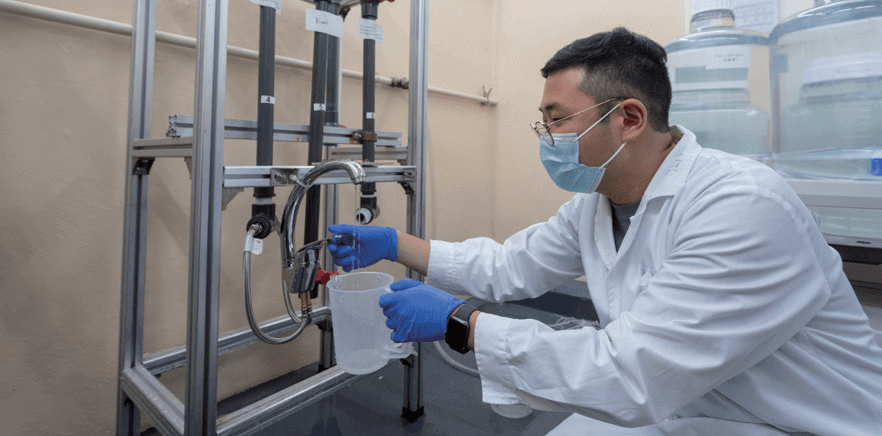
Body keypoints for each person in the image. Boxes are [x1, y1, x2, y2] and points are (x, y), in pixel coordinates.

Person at [327, 27, 882, 435]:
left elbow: (631, 370)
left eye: (558, 119)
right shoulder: (597, 205)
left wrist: (460, 323)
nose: (546, 136)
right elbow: (508, 266)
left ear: (630, 119)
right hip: (691, 406)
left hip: (801, 422)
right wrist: (395, 243)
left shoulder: (740, 205)